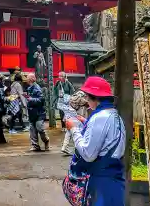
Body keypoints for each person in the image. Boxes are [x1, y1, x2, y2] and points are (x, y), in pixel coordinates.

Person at [63, 76, 126, 206]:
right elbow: (106, 138)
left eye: (87, 97)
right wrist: (85, 122)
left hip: (101, 180)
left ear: (93, 97)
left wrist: (73, 129)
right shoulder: (114, 115)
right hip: (114, 179)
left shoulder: (99, 117)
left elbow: (88, 154)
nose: (86, 100)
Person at [25, 73, 50, 152]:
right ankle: (35, 145)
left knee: (39, 128)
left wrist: (31, 99)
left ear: (31, 79)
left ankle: (46, 140)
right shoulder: (29, 88)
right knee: (32, 129)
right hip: (32, 112)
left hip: (39, 112)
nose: (27, 80)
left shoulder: (37, 88)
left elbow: (41, 100)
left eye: (28, 78)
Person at [61, 89, 88, 155]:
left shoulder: (71, 98)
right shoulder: (81, 99)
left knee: (68, 132)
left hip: (68, 117)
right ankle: (78, 149)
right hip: (77, 118)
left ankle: (64, 147)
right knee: (78, 132)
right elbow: (88, 104)